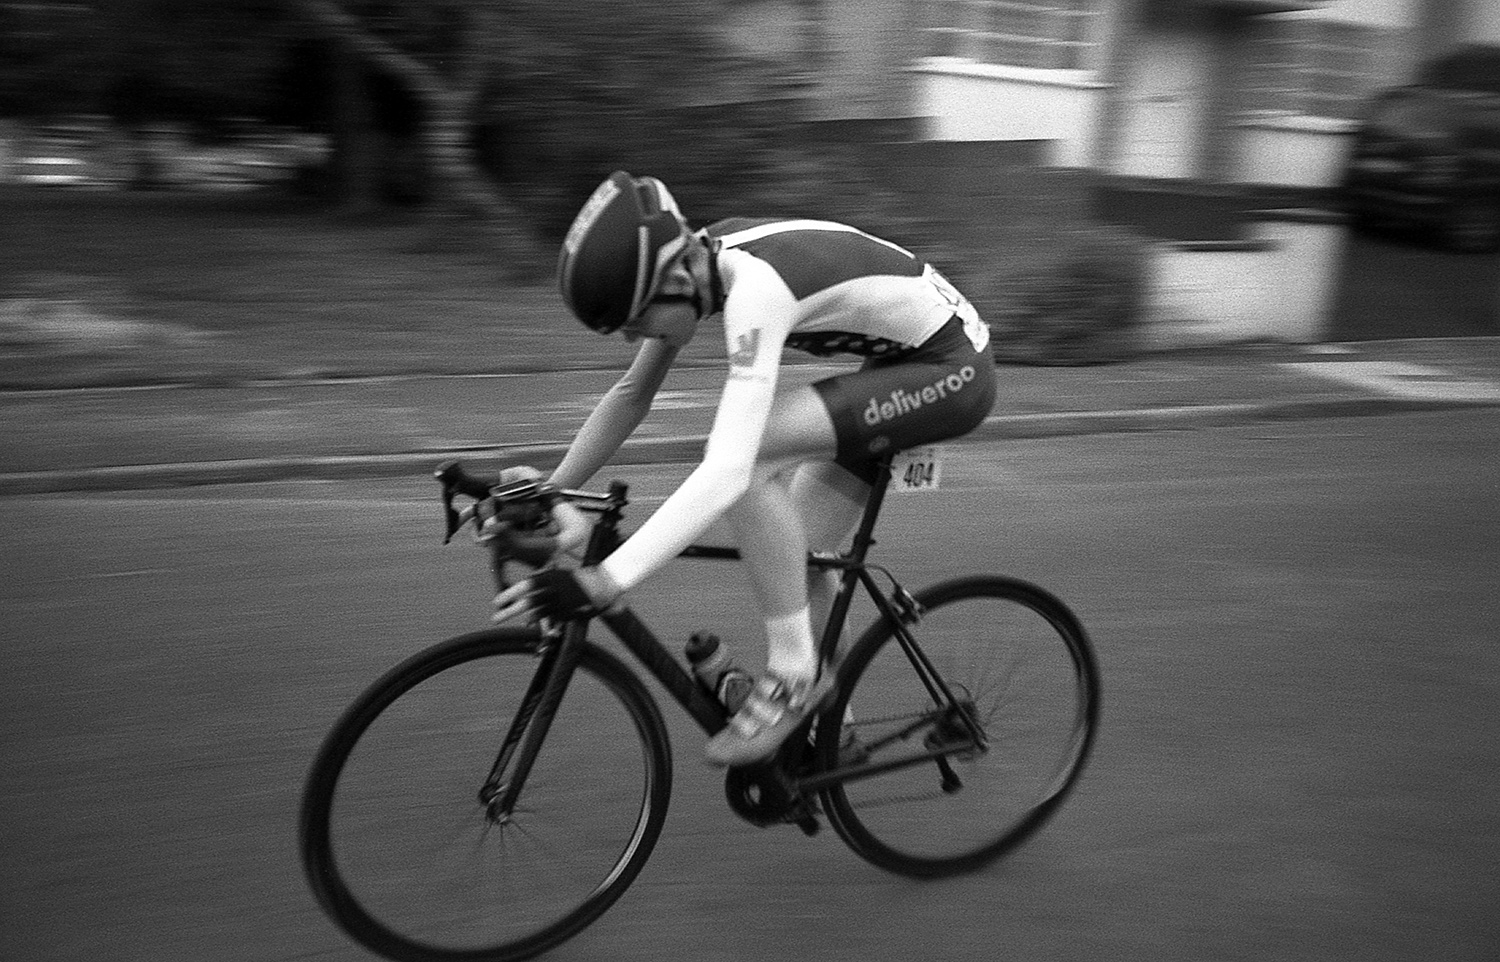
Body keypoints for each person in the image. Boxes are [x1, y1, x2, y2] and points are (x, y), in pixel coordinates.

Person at [492, 170, 997, 767]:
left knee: (751, 457)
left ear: (675, 277)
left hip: (952, 373)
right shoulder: (702, 266)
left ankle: (793, 679)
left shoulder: (757, 290)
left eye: (634, 321)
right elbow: (631, 395)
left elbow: (728, 471)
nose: (632, 337)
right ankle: (839, 732)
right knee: (797, 550)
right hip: (899, 363)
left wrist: (606, 579)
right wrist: (554, 491)